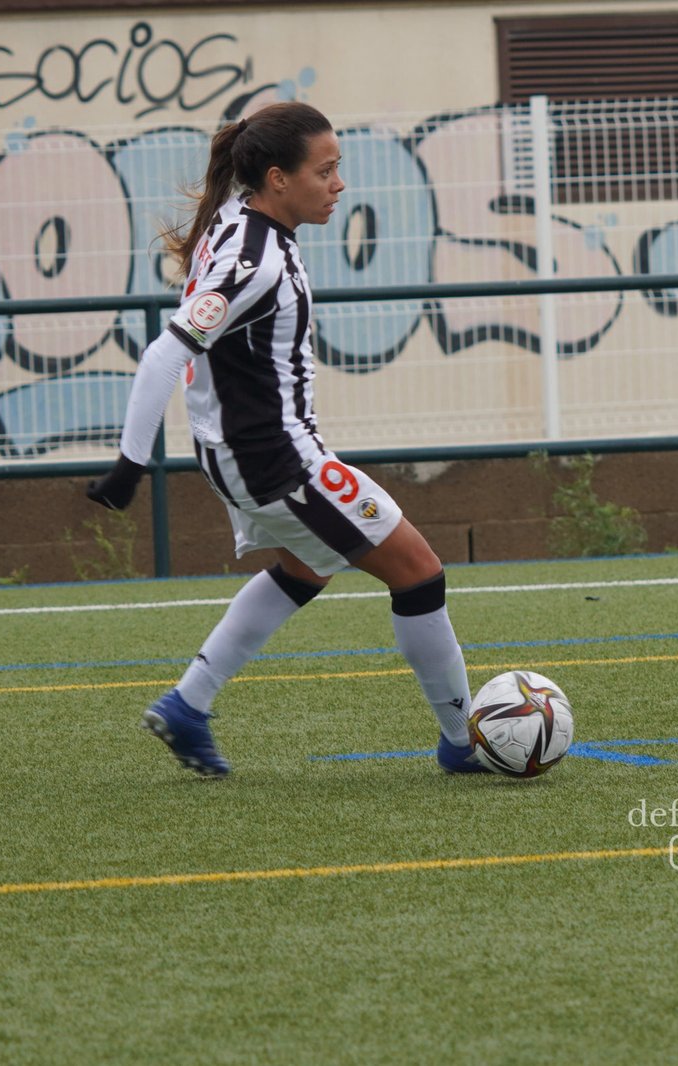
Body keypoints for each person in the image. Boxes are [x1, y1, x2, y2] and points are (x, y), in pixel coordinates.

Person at [84, 102, 490, 777]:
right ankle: (462, 742)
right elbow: (164, 355)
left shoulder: (239, 222)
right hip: (275, 460)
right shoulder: (255, 260)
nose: (339, 184)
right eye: (324, 171)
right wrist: (129, 466)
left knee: (308, 566)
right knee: (420, 574)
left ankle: (189, 704)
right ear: (277, 178)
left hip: (241, 453)